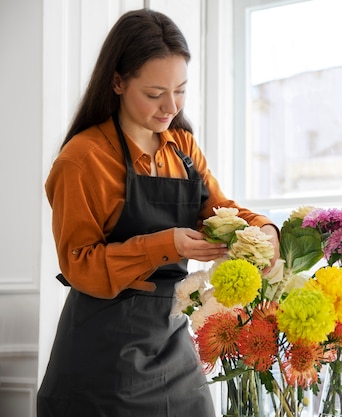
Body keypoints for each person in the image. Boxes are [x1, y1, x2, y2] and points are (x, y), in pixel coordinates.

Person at [37, 8, 279, 417]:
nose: (170, 106)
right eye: (154, 94)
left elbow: (219, 212)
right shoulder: (82, 160)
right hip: (102, 356)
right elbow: (80, 265)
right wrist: (164, 245)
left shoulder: (182, 147)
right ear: (116, 81)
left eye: (180, 90)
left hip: (172, 342)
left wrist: (263, 229)